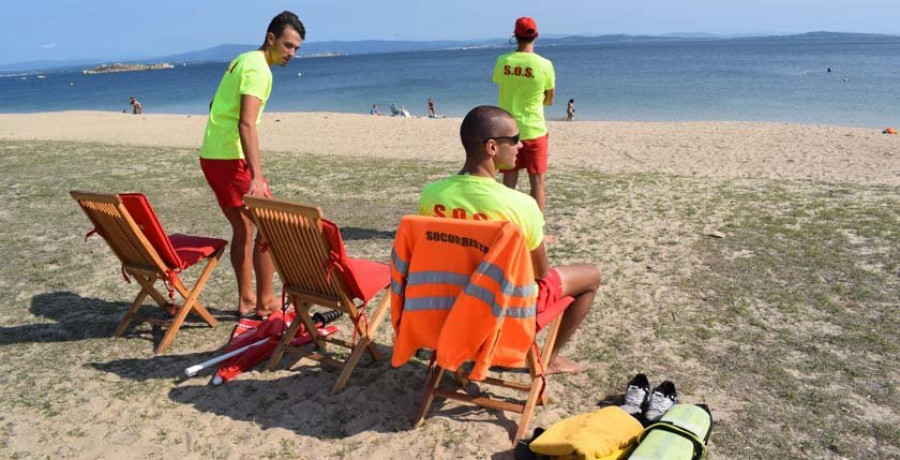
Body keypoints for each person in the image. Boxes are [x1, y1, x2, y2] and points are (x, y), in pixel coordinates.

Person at [418, 105, 600, 374]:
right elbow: (540, 273)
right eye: (514, 139)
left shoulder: (431, 194)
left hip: (450, 301)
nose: (521, 145)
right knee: (590, 276)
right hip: (505, 307)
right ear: (492, 147)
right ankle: (550, 359)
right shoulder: (521, 206)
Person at [198, 11, 305, 318]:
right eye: (287, 46)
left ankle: (247, 301)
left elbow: (215, 104)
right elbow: (246, 124)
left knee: (244, 228)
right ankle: (266, 300)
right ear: (270, 38)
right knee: (270, 226)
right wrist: (256, 176)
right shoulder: (259, 70)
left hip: (212, 154)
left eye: (296, 49)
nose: (291, 54)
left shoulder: (242, 60)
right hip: (231, 159)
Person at [492, 16, 555, 213]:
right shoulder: (545, 64)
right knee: (537, 181)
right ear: (535, 36)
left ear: (515, 36)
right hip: (534, 129)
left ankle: (507, 223)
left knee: (509, 181)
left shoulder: (503, 61)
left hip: (507, 129)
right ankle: (537, 231)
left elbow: (501, 84)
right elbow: (550, 99)